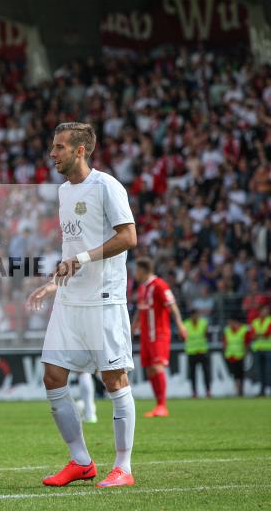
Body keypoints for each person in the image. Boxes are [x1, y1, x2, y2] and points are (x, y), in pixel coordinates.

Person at [26, 122, 138, 488]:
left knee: (114, 378)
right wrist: (54, 283)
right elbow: (71, 248)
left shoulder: (106, 186)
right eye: (53, 146)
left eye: (59, 147)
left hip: (103, 298)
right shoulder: (63, 192)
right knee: (52, 375)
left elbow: (129, 236)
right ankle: (81, 461)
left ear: (80, 150)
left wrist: (83, 260)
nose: (52, 153)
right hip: (70, 298)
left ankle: (123, 467)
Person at [133, 257, 187, 416]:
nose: (135, 274)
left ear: (143, 270)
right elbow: (140, 310)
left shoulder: (160, 285)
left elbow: (172, 305)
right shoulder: (142, 288)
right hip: (145, 335)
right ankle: (158, 405)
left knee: (157, 367)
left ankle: (163, 405)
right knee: (150, 370)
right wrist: (133, 327)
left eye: (137, 270)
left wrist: (180, 325)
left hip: (158, 333)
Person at [250, 303, 271, 397]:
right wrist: (261, 334)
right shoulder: (255, 322)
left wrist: (258, 334)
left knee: (269, 371)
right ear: (260, 311)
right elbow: (252, 335)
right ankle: (262, 391)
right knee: (260, 371)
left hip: (268, 349)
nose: (266, 312)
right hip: (258, 349)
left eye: (267, 310)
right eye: (264, 310)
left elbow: (267, 334)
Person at [184, 308, 211, 398]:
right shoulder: (186, 324)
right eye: (194, 315)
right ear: (191, 316)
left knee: (206, 373)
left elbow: (207, 335)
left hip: (202, 351)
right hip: (191, 352)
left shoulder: (203, 323)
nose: (195, 317)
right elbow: (182, 336)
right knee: (192, 374)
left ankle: (208, 391)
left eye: (197, 315)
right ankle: (194, 392)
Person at [222, 317, 251, 396]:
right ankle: (238, 390)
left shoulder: (243, 330)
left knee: (240, 374)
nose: (229, 324)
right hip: (230, 355)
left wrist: (246, 352)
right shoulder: (227, 330)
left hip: (240, 355)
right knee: (235, 374)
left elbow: (247, 342)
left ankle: (240, 390)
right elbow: (225, 342)